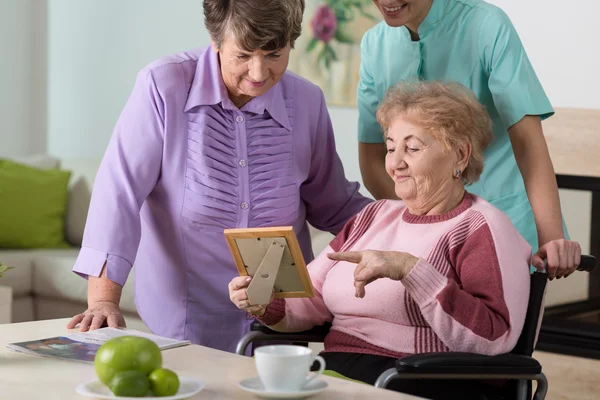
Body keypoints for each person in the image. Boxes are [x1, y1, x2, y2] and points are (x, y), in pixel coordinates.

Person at [229, 81, 583, 399]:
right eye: (390, 147)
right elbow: (313, 299)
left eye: (411, 149)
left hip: (423, 378)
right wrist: (265, 301)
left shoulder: (480, 227)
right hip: (340, 372)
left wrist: (412, 270)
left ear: (459, 155)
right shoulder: (374, 216)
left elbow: (492, 337)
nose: (395, 163)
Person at [66, 0, 371, 353]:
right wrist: (103, 300)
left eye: (274, 54)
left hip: (280, 321)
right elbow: (118, 194)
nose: (258, 73)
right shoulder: (164, 86)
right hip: (186, 323)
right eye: (243, 55)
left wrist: (414, 230)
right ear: (216, 40)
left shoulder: (307, 101)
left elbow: (334, 204)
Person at [357, 0, 580, 279]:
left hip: (506, 225)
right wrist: (419, 229)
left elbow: (528, 145)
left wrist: (552, 238)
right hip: (425, 246)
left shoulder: (487, 25)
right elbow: (372, 160)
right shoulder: (374, 45)